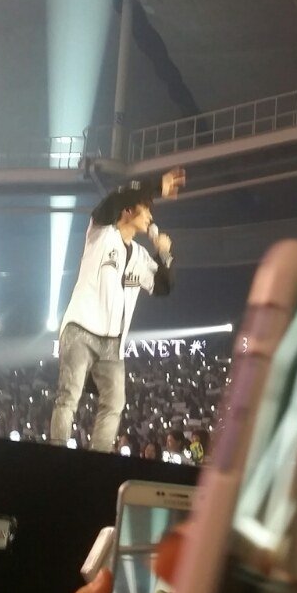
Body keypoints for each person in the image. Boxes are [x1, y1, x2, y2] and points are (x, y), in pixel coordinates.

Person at [50, 168, 185, 452]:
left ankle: (98, 459)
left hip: (113, 343)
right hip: (81, 328)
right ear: (128, 210)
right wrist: (155, 186)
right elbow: (115, 199)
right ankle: (55, 453)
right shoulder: (100, 233)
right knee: (69, 395)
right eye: (145, 209)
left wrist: (163, 252)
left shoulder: (140, 256)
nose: (150, 217)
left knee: (114, 403)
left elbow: (164, 287)